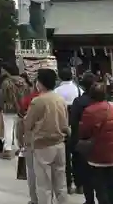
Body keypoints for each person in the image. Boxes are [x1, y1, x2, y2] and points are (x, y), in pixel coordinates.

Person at [24, 68, 69, 204]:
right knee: (60, 183)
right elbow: (65, 123)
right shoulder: (60, 99)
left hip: (42, 146)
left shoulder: (38, 101)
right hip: (60, 144)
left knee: (44, 185)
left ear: (40, 83)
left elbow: (28, 124)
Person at [79, 82, 113, 204]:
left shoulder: (89, 111)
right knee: (112, 185)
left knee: (100, 187)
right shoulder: (111, 108)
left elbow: (84, 132)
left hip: (97, 155)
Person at [69, 71, 98, 204]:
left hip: (80, 138)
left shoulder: (79, 101)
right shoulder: (99, 102)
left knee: (79, 164)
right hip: (97, 138)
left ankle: (80, 186)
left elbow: (73, 121)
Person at [54, 67, 84, 195]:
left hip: (62, 125)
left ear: (59, 77)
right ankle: (80, 184)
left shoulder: (56, 92)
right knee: (78, 156)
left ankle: (67, 185)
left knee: (64, 158)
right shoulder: (78, 90)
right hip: (76, 126)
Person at [19, 75, 41, 204]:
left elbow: (24, 121)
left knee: (32, 170)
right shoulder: (56, 99)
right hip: (51, 141)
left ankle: (34, 199)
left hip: (32, 138)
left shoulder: (31, 100)